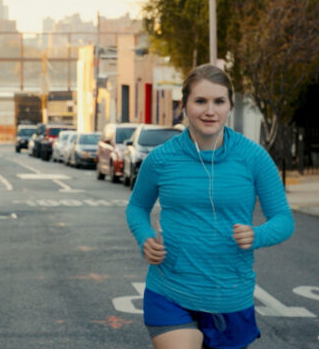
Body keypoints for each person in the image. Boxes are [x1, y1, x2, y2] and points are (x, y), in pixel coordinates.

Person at [126, 64, 294, 349]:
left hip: (230, 296)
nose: (210, 110)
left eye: (219, 101)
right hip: (169, 290)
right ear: (185, 105)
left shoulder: (254, 157)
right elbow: (136, 208)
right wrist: (145, 237)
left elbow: (283, 219)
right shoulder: (161, 159)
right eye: (200, 101)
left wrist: (257, 234)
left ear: (230, 106)